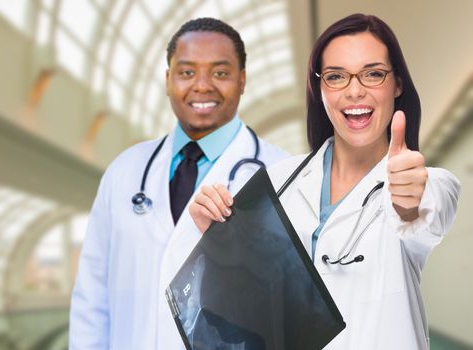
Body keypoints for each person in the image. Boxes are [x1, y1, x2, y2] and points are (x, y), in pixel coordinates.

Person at [189, 14, 460, 349]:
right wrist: (219, 242)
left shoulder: (430, 184)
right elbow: (249, 306)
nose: (355, 91)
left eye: (373, 74)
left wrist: (409, 204)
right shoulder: (278, 181)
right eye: (336, 77)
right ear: (319, 89)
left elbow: (426, 213)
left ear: (398, 84)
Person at [69, 18, 288, 349]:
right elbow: (91, 299)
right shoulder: (124, 172)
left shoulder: (280, 173)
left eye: (220, 72)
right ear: (168, 80)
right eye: (187, 72)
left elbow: (289, 307)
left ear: (242, 81)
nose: (202, 85)